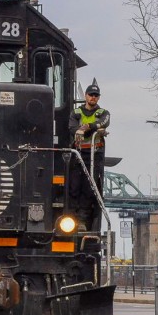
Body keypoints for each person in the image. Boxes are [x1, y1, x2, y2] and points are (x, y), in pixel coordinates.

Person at [67, 83, 110, 230]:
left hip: (94, 155)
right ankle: (71, 217)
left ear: (98, 98)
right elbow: (71, 127)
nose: (93, 97)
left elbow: (104, 122)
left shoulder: (103, 112)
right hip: (78, 154)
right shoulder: (76, 112)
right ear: (85, 95)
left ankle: (82, 221)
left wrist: (86, 127)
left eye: (96, 95)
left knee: (89, 188)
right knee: (74, 186)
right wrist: (94, 128)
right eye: (91, 94)